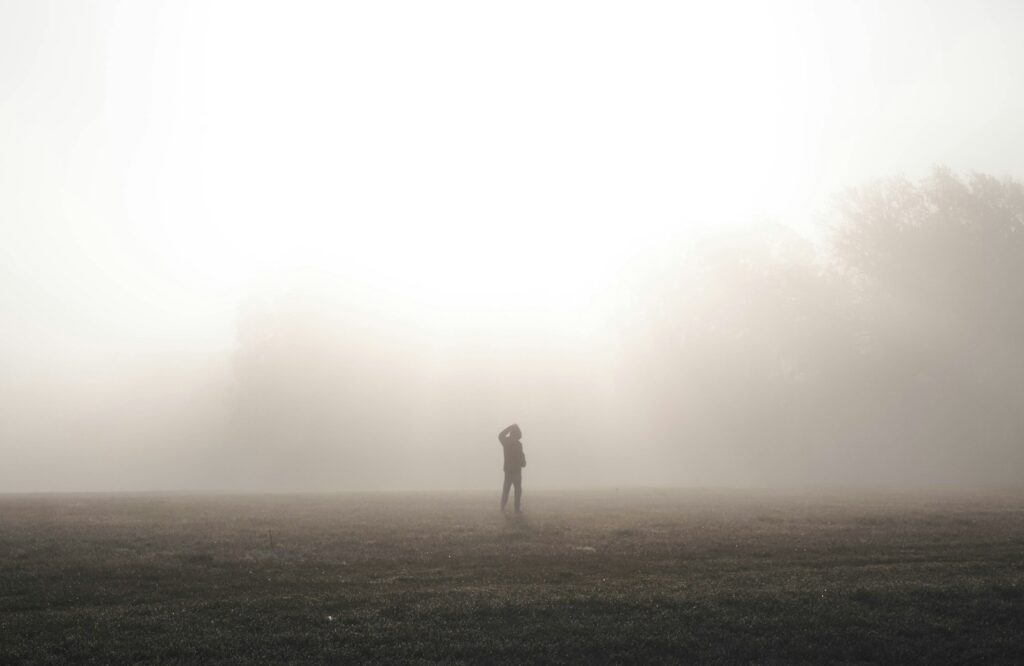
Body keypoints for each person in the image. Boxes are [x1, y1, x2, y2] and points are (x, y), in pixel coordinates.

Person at [497, 423, 526, 512]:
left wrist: (509, 428)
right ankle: (514, 509)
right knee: (515, 490)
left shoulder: (508, 442)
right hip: (514, 471)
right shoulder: (514, 443)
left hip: (511, 470)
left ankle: (504, 508)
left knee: (509, 490)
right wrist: (523, 461)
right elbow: (521, 455)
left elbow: (500, 435)